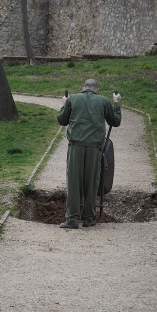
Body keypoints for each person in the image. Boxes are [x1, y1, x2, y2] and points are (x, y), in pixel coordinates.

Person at [57, 79, 122, 229]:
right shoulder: (104, 101)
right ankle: (88, 218)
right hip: (94, 148)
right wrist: (116, 103)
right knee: (92, 182)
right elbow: (116, 121)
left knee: (74, 182)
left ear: (83, 88)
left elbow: (62, 120)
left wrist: (64, 104)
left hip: (75, 147)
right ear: (96, 89)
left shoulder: (72, 99)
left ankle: (72, 219)